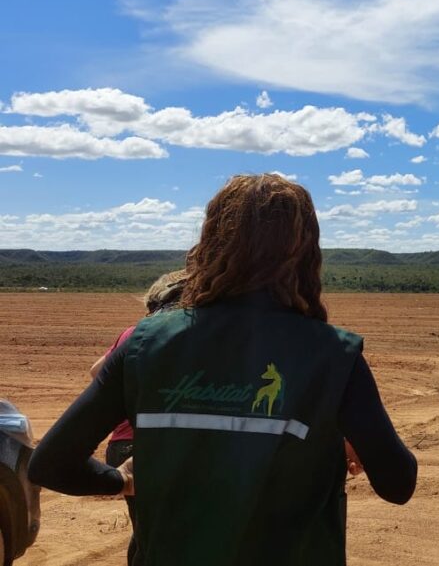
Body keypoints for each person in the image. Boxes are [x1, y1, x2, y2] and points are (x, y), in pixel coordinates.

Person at [29, 173, 417, 566]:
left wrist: (120, 478)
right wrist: (338, 432)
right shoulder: (334, 354)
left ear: (211, 243)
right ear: (305, 251)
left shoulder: (146, 343)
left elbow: (50, 464)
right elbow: (398, 484)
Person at [85, 269, 187, 565]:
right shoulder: (189, 339)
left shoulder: (135, 334)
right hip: (161, 444)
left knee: (145, 534)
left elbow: (96, 373)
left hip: (122, 445)